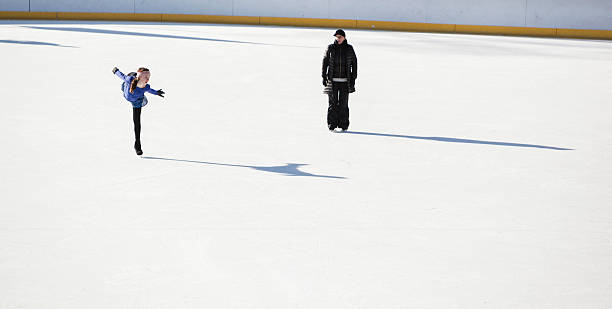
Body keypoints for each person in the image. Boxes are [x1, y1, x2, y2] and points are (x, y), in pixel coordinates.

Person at [112, 67, 165, 155]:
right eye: (146, 77)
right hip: (127, 89)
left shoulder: (145, 87)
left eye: (149, 77)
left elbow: (151, 90)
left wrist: (157, 93)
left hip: (137, 101)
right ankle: (132, 74)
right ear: (140, 77)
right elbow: (122, 76)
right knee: (126, 83)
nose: (148, 79)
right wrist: (116, 71)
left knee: (137, 122)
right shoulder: (129, 80)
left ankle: (137, 144)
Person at [322, 29, 357, 131]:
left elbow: (354, 64)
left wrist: (353, 78)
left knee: (343, 104)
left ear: (344, 37)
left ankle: (343, 125)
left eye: (340, 37)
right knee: (332, 104)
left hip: (345, 82)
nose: (338, 39)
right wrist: (323, 76)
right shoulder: (331, 48)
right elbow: (325, 62)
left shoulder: (349, 48)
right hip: (332, 81)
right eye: (336, 37)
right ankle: (332, 125)